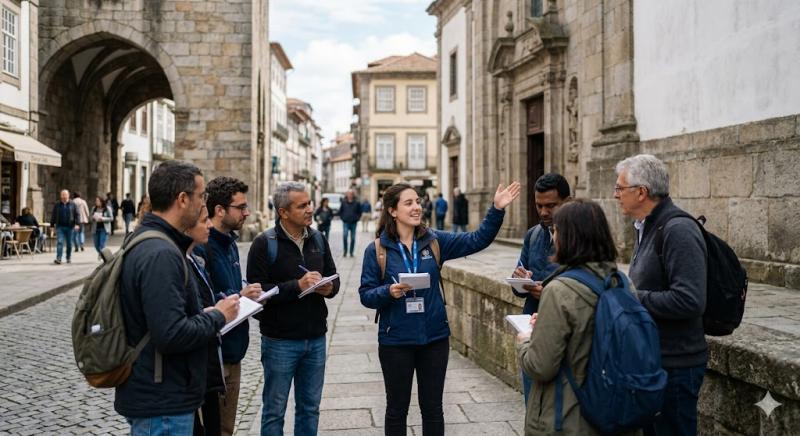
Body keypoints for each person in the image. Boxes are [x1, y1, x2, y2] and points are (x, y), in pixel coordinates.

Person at [359, 181, 521, 435]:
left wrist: (496, 210)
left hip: (434, 337)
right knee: (396, 409)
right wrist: (388, 291)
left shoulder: (434, 241)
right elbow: (366, 295)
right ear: (392, 210)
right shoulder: (377, 250)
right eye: (409, 203)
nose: (417, 207)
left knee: (433, 408)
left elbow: (476, 240)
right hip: (396, 340)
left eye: (417, 201)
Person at [116, 160, 240, 434]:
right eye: (201, 197)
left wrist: (203, 315)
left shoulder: (153, 242)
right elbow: (170, 334)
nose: (203, 206)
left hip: (161, 393)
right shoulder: (161, 253)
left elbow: (163, 318)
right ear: (183, 199)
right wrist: (218, 316)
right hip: (162, 401)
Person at [516, 199, 639, 436]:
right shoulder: (623, 282)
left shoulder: (559, 290)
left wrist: (524, 342)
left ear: (568, 238)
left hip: (570, 416)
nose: (553, 238)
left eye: (556, 231)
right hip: (614, 408)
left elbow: (541, 366)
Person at [614, 154, 707, 436]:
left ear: (641, 192)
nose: (615, 195)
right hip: (656, 359)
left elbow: (690, 299)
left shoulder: (678, 230)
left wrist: (632, 296)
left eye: (620, 188)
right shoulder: (647, 227)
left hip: (677, 365)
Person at [247, 181, 340, 436]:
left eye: (309, 203)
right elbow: (258, 294)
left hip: (316, 338)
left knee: (310, 408)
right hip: (280, 341)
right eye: (302, 206)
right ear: (283, 212)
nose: (310, 209)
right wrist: (296, 286)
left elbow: (334, 278)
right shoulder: (264, 244)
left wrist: (328, 288)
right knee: (274, 410)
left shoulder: (318, 238)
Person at [195, 176, 262, 436]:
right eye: (241, 207)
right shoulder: (203, 246)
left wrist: (249, 294)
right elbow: (204, 301)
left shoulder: (230, 243)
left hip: (234, 350)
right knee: (216, 429)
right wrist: (240, 294)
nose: (246, 212)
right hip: (216, 353)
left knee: (226, 428)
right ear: (220, 210)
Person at [510, 173, 571, 403]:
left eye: (551, 206)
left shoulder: (578, 238)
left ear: (567, 201)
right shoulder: (533, 235)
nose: (544, 212)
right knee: (532, 399)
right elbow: (517, 287)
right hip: (532, 330)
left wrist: (549, 293)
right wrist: (520, 281)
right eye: (539, 205)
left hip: (563, 331)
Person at [185, 205, 226, 436]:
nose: (210, 224)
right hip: (183, 382)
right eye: (204, 220)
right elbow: (172, 330)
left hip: (205, 371)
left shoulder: (192, 260)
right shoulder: (171, 260)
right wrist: (217, 315)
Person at [50, 189, 80, 264]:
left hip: (70, 227)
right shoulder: (57, 204)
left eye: (65, 195)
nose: (64, 196)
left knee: (69, 244)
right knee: (60, 242)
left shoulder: (72, 204)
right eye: (62, 195)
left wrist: (77, 224)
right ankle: (59, 258)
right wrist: (52, 225)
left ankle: (68, 257)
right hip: (60, 227)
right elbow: (53, 215)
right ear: (60, 196)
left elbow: (77, 215)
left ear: (68, 195)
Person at [339, 189, 361, 257]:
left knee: (353, 238)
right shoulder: (343, 202)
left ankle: (351, 252)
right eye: (349, 194)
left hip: (353, 223)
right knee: (345, 236)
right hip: (346, 222)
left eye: (351, 194)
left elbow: (359, 212)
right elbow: (340, 211)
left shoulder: (357, 202)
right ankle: (345, 251)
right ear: (347, 195)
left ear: (353, 195)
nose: (350, 195)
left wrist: (357, 218)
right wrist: (343, 218)